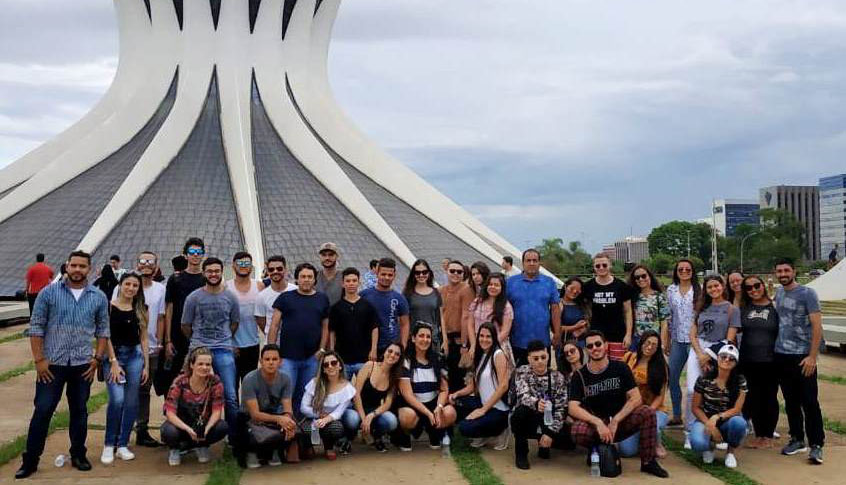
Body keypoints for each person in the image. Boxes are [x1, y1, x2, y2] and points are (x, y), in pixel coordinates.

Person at [16, 250, 110, 480]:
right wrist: (39, 360)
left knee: (79, 410)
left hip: (82, 365)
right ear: (67, 266)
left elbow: (103, 331)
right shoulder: (48, 294)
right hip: (52, 365)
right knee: (43, 410)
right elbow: (36, 327)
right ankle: (31, 460)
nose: (77, 270)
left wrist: (97, 359)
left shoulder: (97, 297)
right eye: (74, 265)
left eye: (82, 266)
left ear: (89, 269)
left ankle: (78, 454)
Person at [569, 330, 669, 478]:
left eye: (598, 344)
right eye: (590, 346)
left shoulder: (620, 368)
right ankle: (597, 449)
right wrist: (597, 422)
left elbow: (636, 398)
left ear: (606, 345)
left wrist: (616, 419)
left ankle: (648, 462)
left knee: (647, 412)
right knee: (577, 430)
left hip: (621, 420)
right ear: (586, 350)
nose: (595, 348)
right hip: (597, 423)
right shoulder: (580, 375)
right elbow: (572, 407)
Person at [181, 257, 241, 442]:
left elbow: (234, 322)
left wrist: (223, 339)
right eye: (210, 271)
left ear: (222, 272)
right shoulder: (194, 297)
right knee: (192, 394)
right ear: (204, 273)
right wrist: (198, 343)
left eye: (217, 271)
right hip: (199, 349)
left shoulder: (230, 297)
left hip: (223, 349)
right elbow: (186, 325)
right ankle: (194, 434)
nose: (213, 274)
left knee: (230, 395)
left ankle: (234, 436)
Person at [773, 258, 824, 464]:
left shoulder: (807, 293)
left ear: (794, 271)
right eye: (779, 271)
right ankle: (797, 438)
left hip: (803, 357)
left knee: (810, 402)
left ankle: (816, 444)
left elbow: (817, 325)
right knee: (791, 401)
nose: (783, 273)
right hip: (781, 354)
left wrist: (812, 356)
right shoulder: (779, 292)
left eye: (786, 270)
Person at [100, 273, 150, 465]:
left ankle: (122, 444)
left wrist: (146, 364)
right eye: (127, 284)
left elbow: (144, 337)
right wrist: (113, 361)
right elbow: (105, 336)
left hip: (135, 357)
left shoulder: (141, 309)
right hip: (113, 356)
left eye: (135, 285)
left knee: (131, 402)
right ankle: (108, 443)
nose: (131, 288)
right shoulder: (108, 307)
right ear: (120, 285)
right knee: (117, 400)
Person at [268, 262, 330, 416]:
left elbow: (325, 327)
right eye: (303, 276)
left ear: (315, 279)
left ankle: (301, 431)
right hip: (287, 357)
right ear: (297, 279)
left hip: (312, 357)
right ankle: (282, 429)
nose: (306, 280)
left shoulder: (322, 299)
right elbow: (274, 325)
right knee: (285, 394)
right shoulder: (285, 298)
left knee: (305, 396)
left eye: (310, 277)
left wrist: (322, 350)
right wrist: (272, 352)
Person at [685, 275, 740, 444]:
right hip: (698, 349)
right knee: (692, 390)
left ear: (722, 286)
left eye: (716, 285)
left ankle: (719, 428)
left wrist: (708, 355)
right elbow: (692, 334)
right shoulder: (701, 307)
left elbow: (730, 339)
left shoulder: (731, 309)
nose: (713, 289)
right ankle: (690, 429)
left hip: (719, 349)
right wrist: (700, 353)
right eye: (709, 287)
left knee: (717, 389)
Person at [394, 323, 457, 451]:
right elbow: (408, 395)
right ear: (413, 338)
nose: (425, 340)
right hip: (414, 405)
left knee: (450, 412)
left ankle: (436, 432)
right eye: (421, 336)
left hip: (433, 404)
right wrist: (428, 413)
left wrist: (439, 408)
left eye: (428, 337)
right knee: (407, 415)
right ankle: (406, 435)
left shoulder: (438, 358)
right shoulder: (406, 361)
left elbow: (444, 389)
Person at [161, 347, 228, 466]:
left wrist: (207, 429)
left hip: (202, 424)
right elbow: (169, 412)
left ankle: (201, 445)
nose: (204, 367)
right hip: (181, 425)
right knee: (168, 431)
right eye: (200, 364)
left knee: (222, 427)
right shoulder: (179, 382)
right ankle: (175, 448)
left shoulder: (216, 383)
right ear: (192, 365)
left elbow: (217, 411)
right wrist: (187, 429)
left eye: (208, 364)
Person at [509, 340, 570, 470]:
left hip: (549, 418)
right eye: (535, 358)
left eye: (543, 357)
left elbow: (562, 407)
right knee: (520, 413)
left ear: (548, 356)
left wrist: (550, 433)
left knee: (568, 443)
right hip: (528, 416)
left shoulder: (558, 377)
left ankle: (545, 443)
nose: (540, 361)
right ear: (529, 359)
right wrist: (536, 403)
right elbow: (522, 395)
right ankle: (521, 453)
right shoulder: (521, 372)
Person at [449, 323, 511, 450]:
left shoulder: (498, 354)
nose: (484, 339)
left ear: (494, 338)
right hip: (484, 404)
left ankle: (501, 430)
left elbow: (504, 386)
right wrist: (456, 394)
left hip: (498, 409)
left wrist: (483, 410)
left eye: (488, 336)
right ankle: (484, 433)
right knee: (456, 402)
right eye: (481, 336)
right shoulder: (480, 355)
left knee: (465, 428)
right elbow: (473, 386)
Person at [127, 251, 167, 447]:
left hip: (151, 348)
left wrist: (159, 342)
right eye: (143, 261)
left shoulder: (160, 289)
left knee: (144, 389)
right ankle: (122, 431)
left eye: (150, 262)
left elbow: (161, 317)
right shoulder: (128, 286)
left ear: (156, 265)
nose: (146, 264)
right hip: (128, 347)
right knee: (126, 390)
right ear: (137, 264)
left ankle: (141, 430)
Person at [237, 344, 298, 469]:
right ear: (261, 361)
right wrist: (279, 419)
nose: (271, 363)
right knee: (247, 429)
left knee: (295, 428)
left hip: (272, 416)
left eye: (274, 359)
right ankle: (252, 452)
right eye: (267, 359)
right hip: (249, 419)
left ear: (280, 362)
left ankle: (274, 450)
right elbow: (255, 414)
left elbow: (287, 409)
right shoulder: (249, 379)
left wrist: (288, 422)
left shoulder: (286, 379)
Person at [690, 343, 748, 468]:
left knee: (739, 423)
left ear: (736, 363)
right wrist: (709, 424)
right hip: (705, 419)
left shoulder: (740, 380)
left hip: (727, 419)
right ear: (717, 358)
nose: (727, 359)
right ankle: (710, 447)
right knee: (697, 443)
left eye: (731, 358)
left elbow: (737, 409)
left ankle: (730, 452)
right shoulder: (704, 379)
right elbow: (695, 407)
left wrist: (716, 417)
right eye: (723, 356)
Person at [738, 275, 779, 449]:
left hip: (770, 360)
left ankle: (768, 434)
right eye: (749, 288)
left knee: (769, 397)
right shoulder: (744, 308)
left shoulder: (775, 307)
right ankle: (758, 433)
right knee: (753, 397)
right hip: (748, 360)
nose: (754, 290)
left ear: (763, 286)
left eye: (757, 285)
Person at [343, 342, 403, 452]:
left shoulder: (394, 377)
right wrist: (363, 419)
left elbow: (387, 403)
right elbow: (356, 394)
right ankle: (348, 439)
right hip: (356, 408)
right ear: (384, 353)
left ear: (399, 358)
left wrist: (371, 416)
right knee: (352, 419)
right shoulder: (370, 366)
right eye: (390, 351)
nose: (392, 355)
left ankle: (377, 437)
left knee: (391, 421)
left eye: (397, 354)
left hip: (373, 411)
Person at [619, 330, 669, 458]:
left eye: (654, 345)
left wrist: (648, 413)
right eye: (648, 342)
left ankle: (656, 441)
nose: (650, 346)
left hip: (654, 409)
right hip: (631, 409)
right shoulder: (628, 358)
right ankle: (642, 438)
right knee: (627, 451)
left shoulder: (661, 366)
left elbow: (660, 397)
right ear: (641, 342)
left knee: (653, 425)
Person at [507, 249, 561, 366]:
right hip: (517, 342)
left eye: (534, 260)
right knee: (519, 379)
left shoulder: (549, 282)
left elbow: (555, 309)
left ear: (539, 263)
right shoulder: (510, 283)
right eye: (528, 260)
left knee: (543, 379)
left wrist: (557, 333)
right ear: (523, 263)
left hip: (542, 342)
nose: (531, 263)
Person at [165, 238, 207, 384]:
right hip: (177, 336)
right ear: (186, 255)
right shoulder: (175, 279)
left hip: (201, 335)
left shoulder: (207, 279)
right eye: (192, 252)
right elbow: (169, 311)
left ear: (203, 255)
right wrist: (168, 340)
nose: (195, 255)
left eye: (199, 252)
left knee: (200, 376)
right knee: (175, 379)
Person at [301, 351, 357, 459]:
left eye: (334, 363)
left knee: (337, 428)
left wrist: (325, 419)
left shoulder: (348, 388)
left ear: (340, 366)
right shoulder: (314, 383)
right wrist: (318, 414)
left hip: (331, 420)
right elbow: (303, 407)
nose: (330, 366)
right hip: (313, 417)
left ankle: (329, 447)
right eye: (326, 365)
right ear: (323, 369)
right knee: (306, 429)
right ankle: (309, 446)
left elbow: (338, 413)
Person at [666, 259, 700, 427]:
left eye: (688, 269)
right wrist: (667, 340)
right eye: (681, 269)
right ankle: (677, 414)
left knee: (694, 382)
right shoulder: (671, 290)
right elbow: (669, 316)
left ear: (692, 271)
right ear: (676, 271)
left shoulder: (699, 290)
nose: (684, 271)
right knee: (671, 377)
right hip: (677, 340)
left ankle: (695, 417)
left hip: (696, 341)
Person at [329, 267, 379, 378]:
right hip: (343, 359)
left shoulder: (367, 306)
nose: (351, 283)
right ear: (342, 284)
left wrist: (373, 349)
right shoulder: (336, 308)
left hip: (363, 358)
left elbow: (374, 328)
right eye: (348, 281)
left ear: (359, 282)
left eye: (354, 280)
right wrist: (332, 351)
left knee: (364, 391)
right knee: (343, 390)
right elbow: (332, 331)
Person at [582, 253, 633, 361]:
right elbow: (584, 307)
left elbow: (628, 312)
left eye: (604, 265)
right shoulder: (588, 286)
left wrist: (628, 334)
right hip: (596, 336)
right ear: (594, 268)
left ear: (610, 265)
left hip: (618, 335)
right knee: (598, 367)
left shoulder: (621, 286)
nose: (601, 268)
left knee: (618, 367)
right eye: (598, 266)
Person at [225, 252, 264, 390]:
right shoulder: (226, 287)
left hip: (252, 344)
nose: (243, 266)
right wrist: (228, 342)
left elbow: (262, 315)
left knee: (249, 386)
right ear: (233, 266)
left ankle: (248, 412)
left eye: (246, 263)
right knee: (231, 387)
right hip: (231, 345)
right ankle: (233, 412)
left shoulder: (259, 286)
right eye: (240, 263)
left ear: (251, 267)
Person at [360, 258, 410, 356]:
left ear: (394, 276)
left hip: (390, 350)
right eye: (383, 274)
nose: (386, 277)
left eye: (390, 275)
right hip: (367, 347)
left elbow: (405, 324)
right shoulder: (364, 295)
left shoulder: (399, 298)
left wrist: (403, 346)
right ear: (377, 273)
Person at [439, 259, 475, 391]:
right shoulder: (441, 290)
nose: (455, 274)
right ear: (446, 271)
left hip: (460, 339)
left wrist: (464, 345)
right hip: (444, 339)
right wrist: (444, 339)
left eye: (459, 272)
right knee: (444, 375)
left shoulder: (466, 290)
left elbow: (466, 317)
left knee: (459, 376)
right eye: (452, 271)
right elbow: (440, 315)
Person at [467, 273, 514, 364]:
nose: (493, 287)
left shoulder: (506, 306)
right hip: (478, 344)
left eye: (496, 285)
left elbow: (505, 331)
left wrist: (490, 346)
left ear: (502, 288)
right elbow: (470, 324)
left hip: (497, 347)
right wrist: (473, 345)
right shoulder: (477, 302)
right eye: (490, 284)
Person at [403, 259, 445, 353]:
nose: (421, 275)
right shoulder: (408, 294)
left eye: (424, 272)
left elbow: (441, 317)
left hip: (432, 340)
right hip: (414, 340)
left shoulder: (436, 293)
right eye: (417, 273)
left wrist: (444, 340)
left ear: (429, 273)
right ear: (413, 274)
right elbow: (403, 319)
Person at [254, 255, 297, 340]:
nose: (275, 271)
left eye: (279, 269)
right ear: (267, 271)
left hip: (294, 342)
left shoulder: (296, 290)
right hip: (273, 345)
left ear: (285, 270)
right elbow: (261, 321)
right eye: (271, 269)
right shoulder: (261, 296)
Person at [628, 264, 670, 351]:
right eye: (637, 277)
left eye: (643, 276)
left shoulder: (659, 297)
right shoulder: (632, 297)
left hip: (653, 341)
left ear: (649, 276)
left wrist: (662, 343)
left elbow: (664, 323)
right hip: (636, 341)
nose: (641, 279)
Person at [559, 276, 590, 344]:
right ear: (565, 286)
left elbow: (588, 321)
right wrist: (575, 327)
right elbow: (556, 328)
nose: (575, 291)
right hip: (566, 344)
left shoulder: (582, 304)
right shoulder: (559, 304)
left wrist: (584, 328)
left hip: (583, 342)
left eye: (578, 290)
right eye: (572, 288)